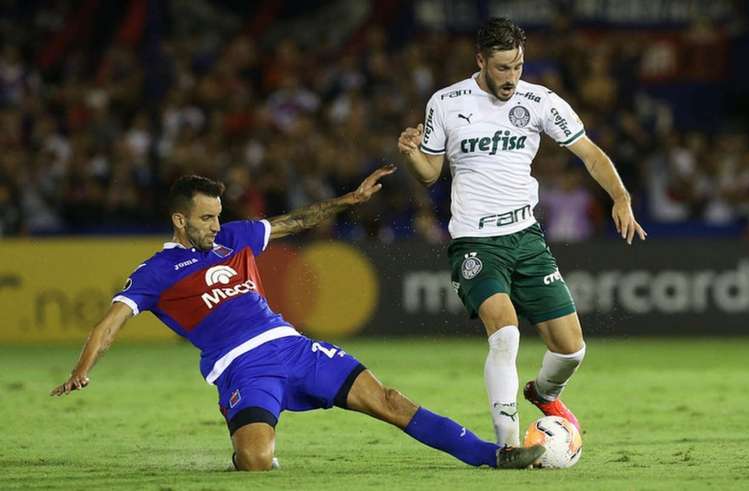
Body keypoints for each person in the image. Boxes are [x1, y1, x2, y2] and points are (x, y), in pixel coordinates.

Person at [51, 165, 545, 471]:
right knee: (256, 462)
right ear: (180, 220)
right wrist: (82, 368)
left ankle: (494, 456)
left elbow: (298, 221)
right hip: (244, 369)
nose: (216, 225)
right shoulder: (157, 271)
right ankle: (241, 429)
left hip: (294, 347)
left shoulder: (235, 237)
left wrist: (348, 201)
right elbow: (111, 322)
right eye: (206, 218)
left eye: (218, 215)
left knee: (390, 400)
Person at [397, 18, 646, 447]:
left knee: (571, 350)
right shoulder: (446, 101)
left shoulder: (540, 100)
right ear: (480, 61)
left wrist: (620, 197)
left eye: (517, 66)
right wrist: (411, 155)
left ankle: (543, 393)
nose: (511, 78)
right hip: (475, 243)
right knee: (506, 333)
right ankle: (508, 445)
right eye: (502, 69)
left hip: (526, 239)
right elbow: (429, 174)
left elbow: (589, 153)